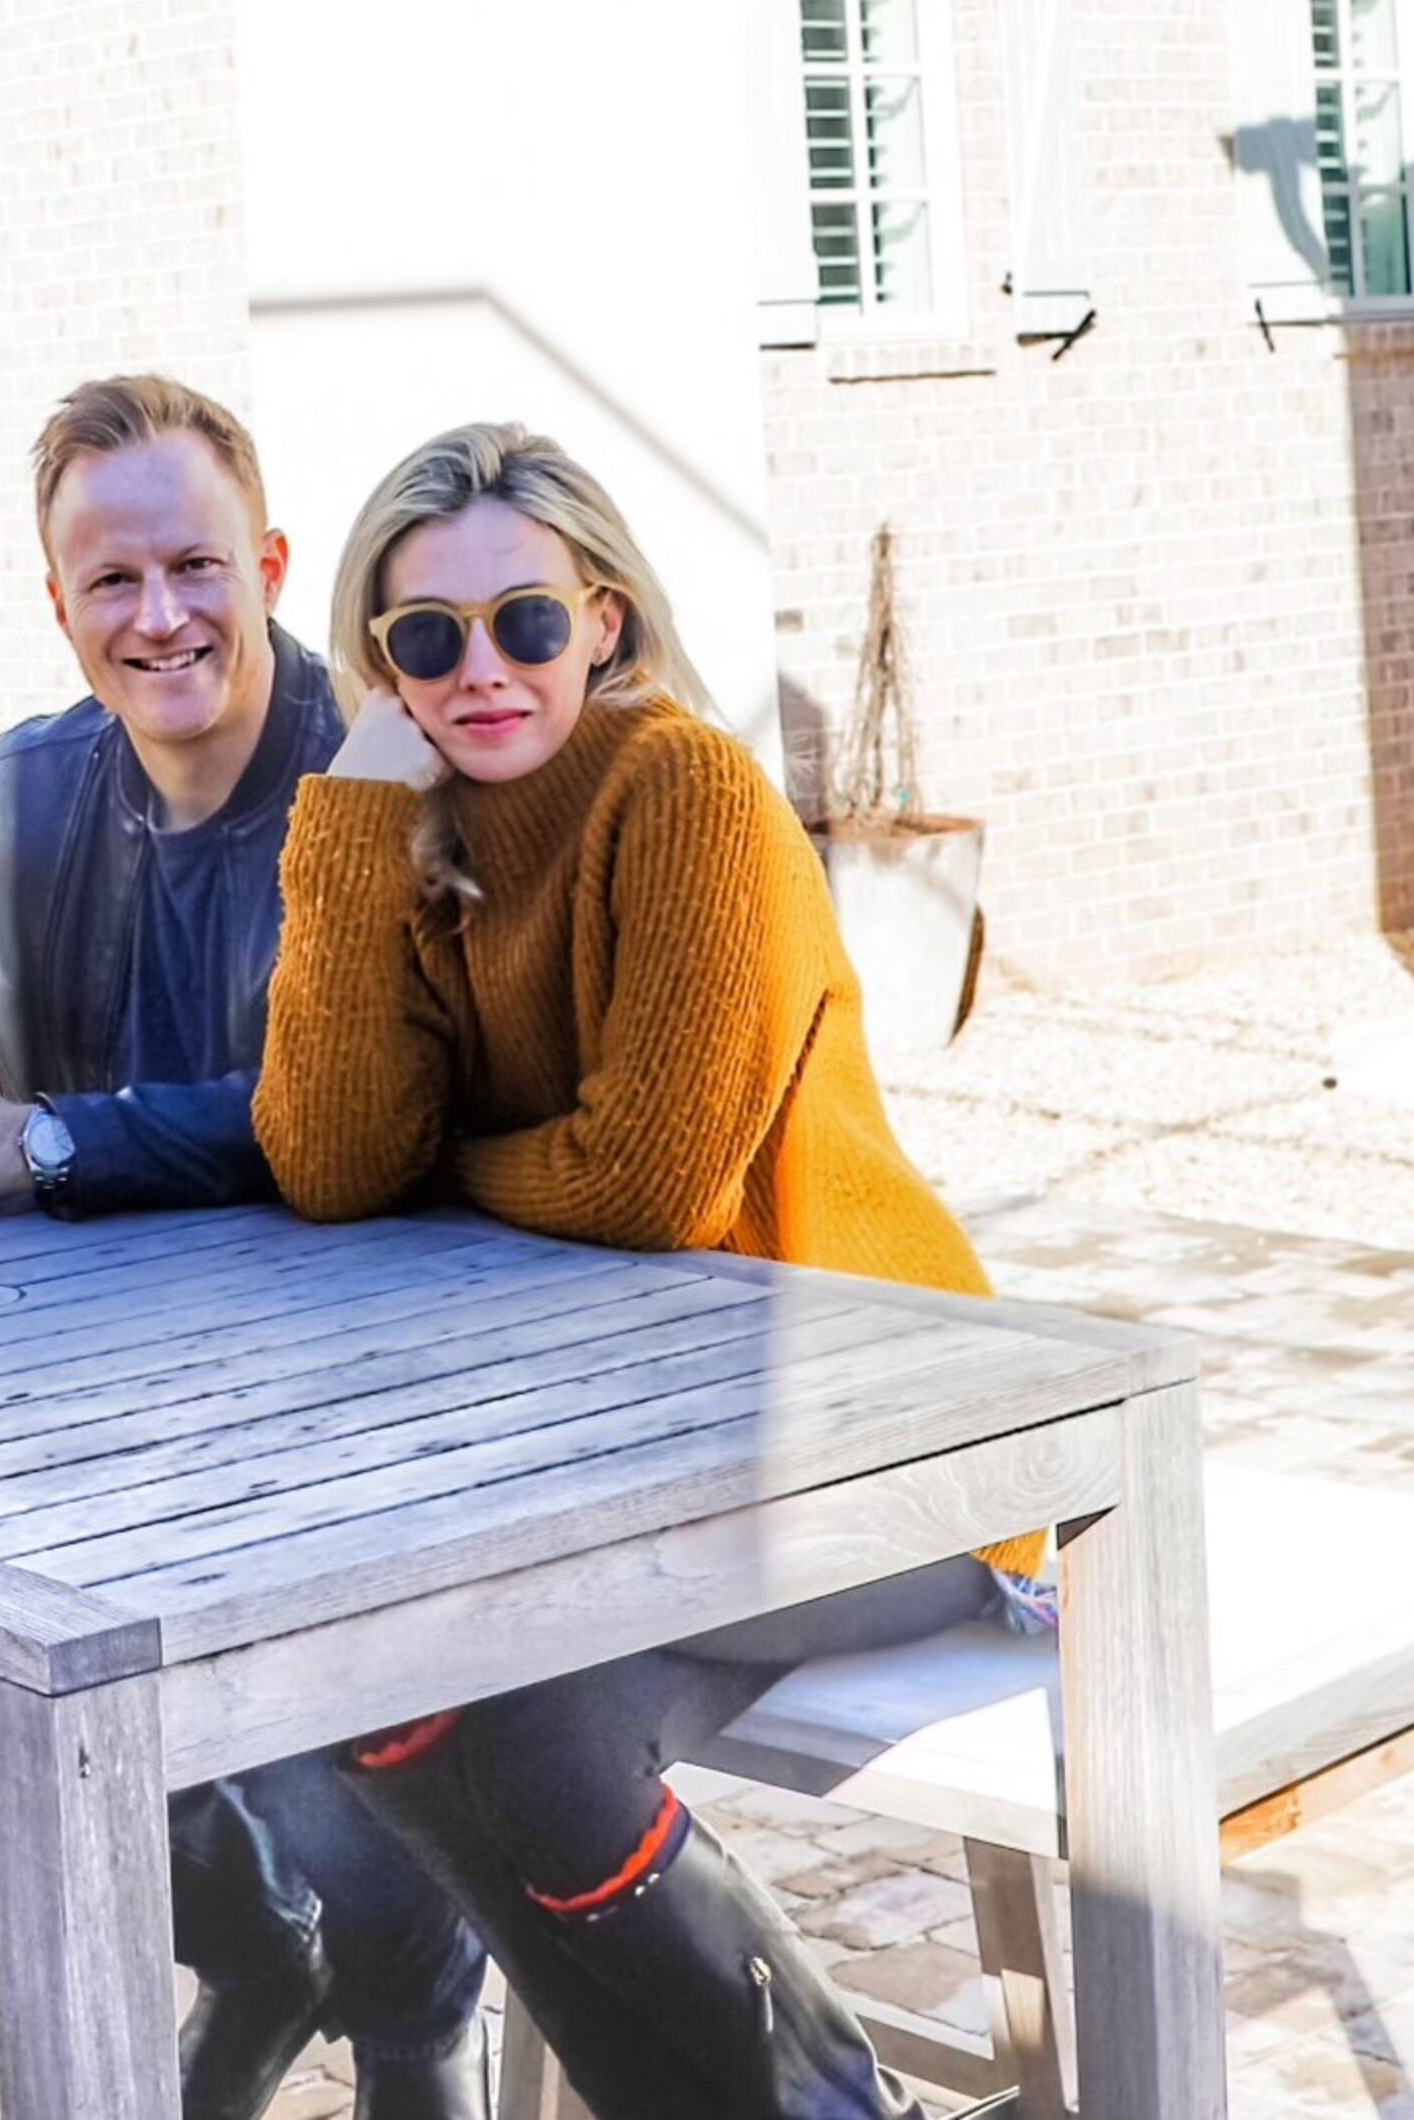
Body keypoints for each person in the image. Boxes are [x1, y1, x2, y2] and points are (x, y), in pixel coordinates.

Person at [255, 421, 1038, 2120]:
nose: (485, 667)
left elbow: (641, 1184)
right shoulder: (425, 837)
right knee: (406, 1700)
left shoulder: (680, 793)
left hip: (894, 1436)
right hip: (658, 1466)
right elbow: (327, 1165)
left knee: (504, 1718)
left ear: (603, 619)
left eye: (527, 620)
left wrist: (446, 1178)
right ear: (378, 661)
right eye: (427, 635)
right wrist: (347, 831)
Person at [0, 369, 488, 2120]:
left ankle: (400, 2028)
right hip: (84, 1464)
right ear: (64, 606)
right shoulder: (11, 805)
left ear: (272, 563)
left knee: (380, 1832)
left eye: (196, 568)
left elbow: (369, 1112)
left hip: (364, 1455)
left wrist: (53, 1142)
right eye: (112, 583)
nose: (161, 617)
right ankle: (254, 1942)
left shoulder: (383, 779)